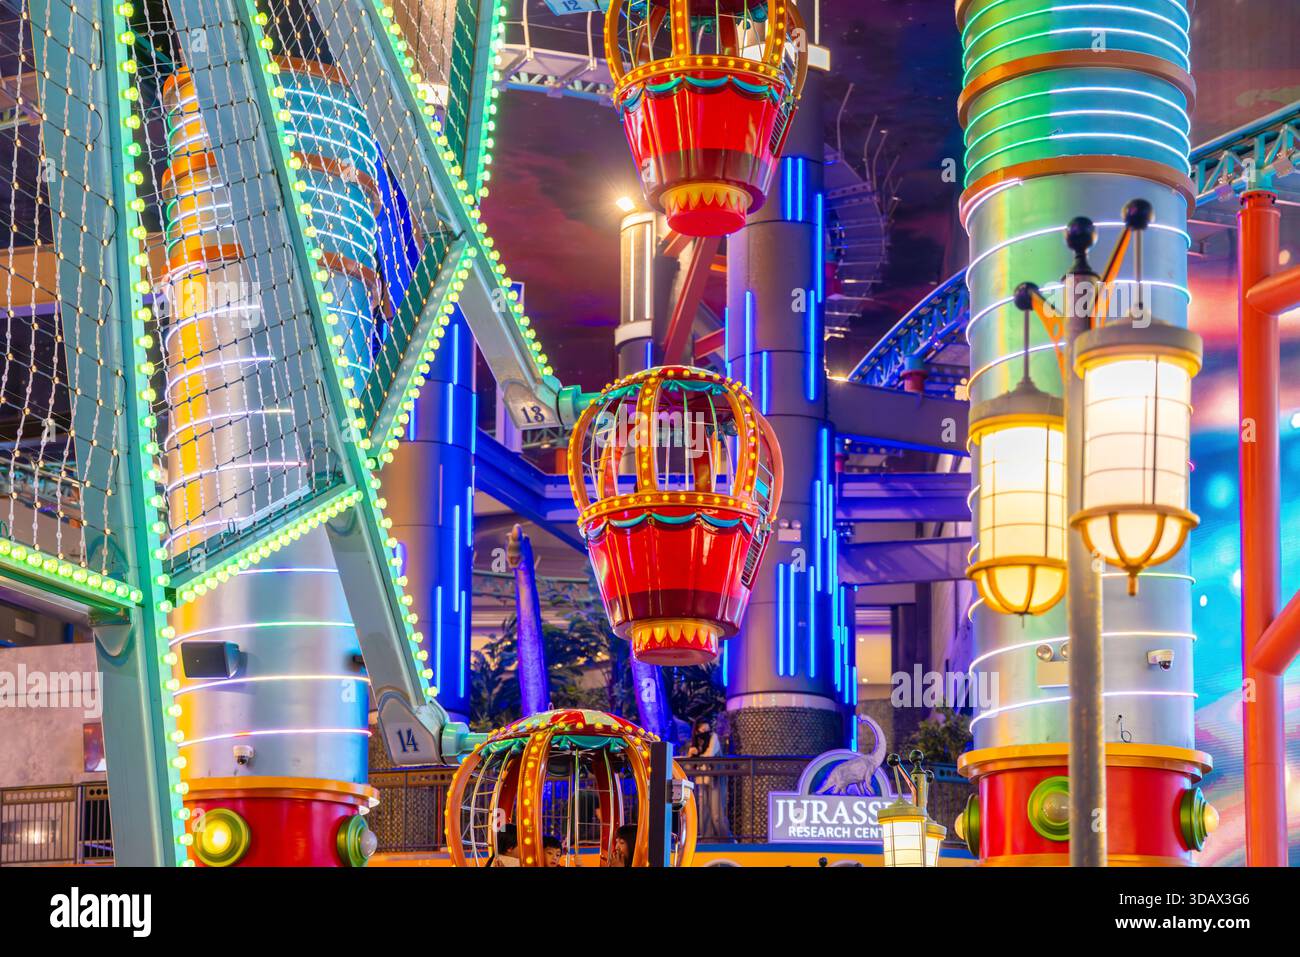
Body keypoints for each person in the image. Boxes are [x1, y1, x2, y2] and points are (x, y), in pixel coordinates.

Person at [687, 717, 731, 839]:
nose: (705, 732)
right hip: (701, 780)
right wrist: (691, 754)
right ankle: (707, 839)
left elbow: (710, 754)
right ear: (696, 731)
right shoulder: (695, 743)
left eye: (707, 729)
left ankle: (727, 840)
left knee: (717, 813)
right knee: (703, 812)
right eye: (702, 730)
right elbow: (689, 765)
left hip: (714, 779)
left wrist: (697, 754)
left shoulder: (713, 737)